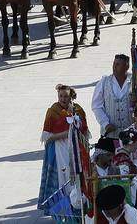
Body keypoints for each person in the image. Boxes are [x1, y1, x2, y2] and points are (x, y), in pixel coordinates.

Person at [39, 85, 88, 218]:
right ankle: (62, 212)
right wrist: (66, 134)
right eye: (61, 96)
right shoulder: (52, 111)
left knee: (77, 177)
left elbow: (85, 132)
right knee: (62, 179)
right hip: (59, 149)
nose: (63, 99)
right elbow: (47, 137)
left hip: (76, 150)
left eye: (66, 96)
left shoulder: (79, 110)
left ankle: (78, 209)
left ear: (71, 97)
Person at [91, 55, 134, 135]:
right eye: (114, 63)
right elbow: (96, 106)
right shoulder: (104, 82)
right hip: (110, 134)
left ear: (126, 66)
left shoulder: (134, 81)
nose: (114, 67)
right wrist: (105, 124)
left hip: (131, 133)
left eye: (118, 64)